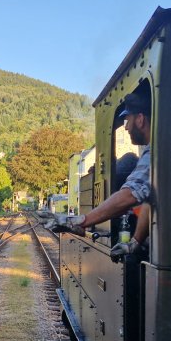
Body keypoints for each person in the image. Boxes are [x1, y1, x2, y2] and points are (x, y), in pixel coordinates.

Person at [51, 91, 153, 259]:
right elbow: (150, 202)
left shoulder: (157, 151)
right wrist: (136, 241)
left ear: (140, 119)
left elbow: (130, 194)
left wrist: (81, 221)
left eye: (128, 120)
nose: (126, 127)